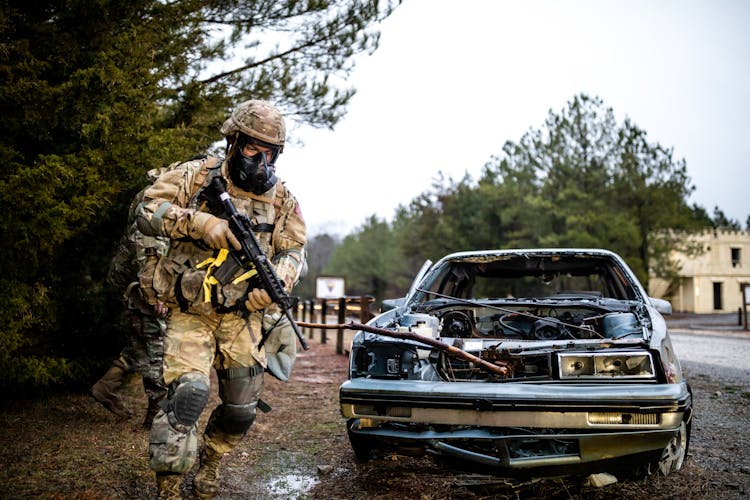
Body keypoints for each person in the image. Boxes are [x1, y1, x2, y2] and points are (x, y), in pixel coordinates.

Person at [134, 99, 307, 499]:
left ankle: (210, 463)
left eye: (270, 152)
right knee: (188, 394)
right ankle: (170, 484)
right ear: (233, 142)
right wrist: (198, 222)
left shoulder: (282, 199)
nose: (260, 160)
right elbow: (146, 210)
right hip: (191, 311)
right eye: (252, 149)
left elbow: (295, 250)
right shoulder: (195, 176)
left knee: (241, 408)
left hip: (243, 317)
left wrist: (278, 279)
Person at [90, 175, 170, 428]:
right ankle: (155, 417)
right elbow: (147, 252)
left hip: (137, 289)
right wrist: (157, 293)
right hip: (146, 291)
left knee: (141, 348)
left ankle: (105, 387)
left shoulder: (150, 199)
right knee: (156, 353)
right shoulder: (154, 207)